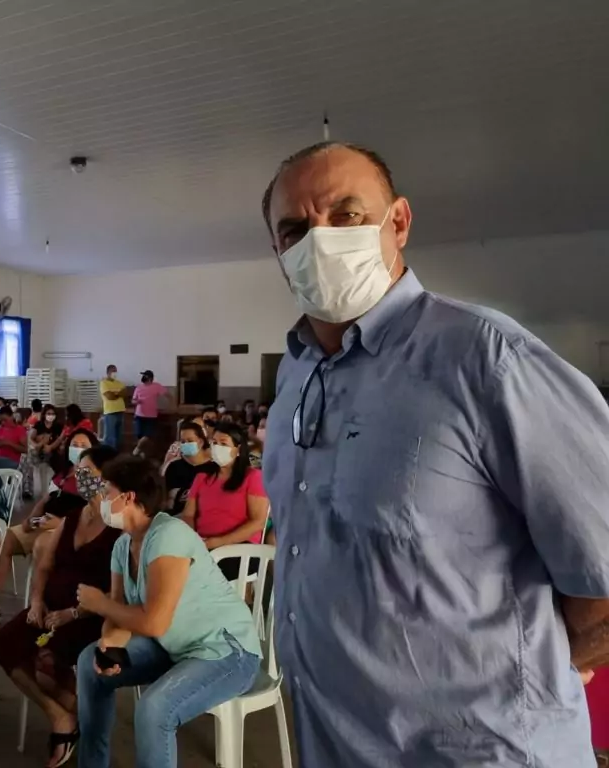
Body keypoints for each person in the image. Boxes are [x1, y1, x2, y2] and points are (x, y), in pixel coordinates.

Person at [260, 141, 609, 768]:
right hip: (333, 742)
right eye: (295, 229)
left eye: (345, 216)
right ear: (278, 250)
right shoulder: (296, 374)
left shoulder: (488, 361)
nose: (320, 242)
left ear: (398, 223)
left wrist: (536, 674)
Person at [75, 456, 262, 768]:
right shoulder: (123, 546)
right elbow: (120, 611)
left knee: (154, 709)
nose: (102, 500)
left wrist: (99, 603)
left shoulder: (169, 535)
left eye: (107, 492)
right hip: (174, 646)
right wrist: (110, 647)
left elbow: (154, 621)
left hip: (226, 651)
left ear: (129, 497)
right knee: (88, 664)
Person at [0, 445, 120, 768]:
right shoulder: (73, 517)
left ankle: (82, 717)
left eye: (89, 473)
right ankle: (63, 717)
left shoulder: (118, 526)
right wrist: (35, 602)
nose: (80, 478)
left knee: (45, 662)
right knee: (4, 645)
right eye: (80, 471)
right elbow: (44, 566)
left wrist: (72, 613)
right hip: (50, 608)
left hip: (91, 616)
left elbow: (117, 593)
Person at [0, 429, 101, 618]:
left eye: (83, 446)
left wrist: (61, 523)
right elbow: (44, 500)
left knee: (42, 545)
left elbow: (91, 513)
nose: (77, 449)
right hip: (42, 523)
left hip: (66, 529)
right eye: (74, 445)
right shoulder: (62, 473)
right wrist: (30, 519)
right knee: (6, 538)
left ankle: (40, 605)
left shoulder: (92, 479)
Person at [180, 422, 269, 578]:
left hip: (239, 547)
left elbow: (258, 522)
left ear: (239, 450)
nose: (217, 447)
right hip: (202, 544)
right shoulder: (202, 477)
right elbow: (188, 514)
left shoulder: (252, 477)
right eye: (214, 443)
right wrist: (193, 540)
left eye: (223, 443)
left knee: (200, 572)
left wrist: (217, 542)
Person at [162, 421, 215, 516]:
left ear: (201, 442)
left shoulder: (214, 468)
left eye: (190, 441)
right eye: (183, 442)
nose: (186, 444)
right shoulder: (174, 466)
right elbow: (168, 500)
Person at [131, 370, 167, 440]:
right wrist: (136, 402)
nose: (143, 377)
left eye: (145, 376)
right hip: (139, 415)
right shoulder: (138, 387)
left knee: (148, 436)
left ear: (150, 378)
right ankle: (139, 450)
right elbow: (133, 400)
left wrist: (170, 406)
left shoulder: (157, 386)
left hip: (151, 416)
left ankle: (145, 450)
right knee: (139, 435)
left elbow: (168, 395)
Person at [99, 365, 127, 450]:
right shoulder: (103, 383)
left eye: (116, 371)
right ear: (108, 372)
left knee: (118, 436)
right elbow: (109, 396)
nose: (115, 373)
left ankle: (116, 454)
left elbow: (125, 393)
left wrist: (115, 394)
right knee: (109, 436)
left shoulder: (119, 383)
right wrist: (118, 393)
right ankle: (108, 454)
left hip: (120, 411)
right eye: (113, 371)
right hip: (110, 412)